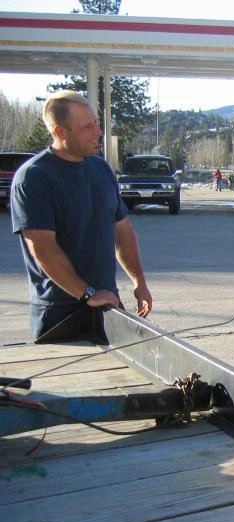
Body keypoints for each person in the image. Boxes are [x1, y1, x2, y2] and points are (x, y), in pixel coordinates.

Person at [10, 90, 152, 341]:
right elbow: (42, 247)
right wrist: (86, 293)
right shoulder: (34, 177)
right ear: (60, 132)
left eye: (96, 123)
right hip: (61, 313)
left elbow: (121, 229)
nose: (98, 132)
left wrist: (138, 281)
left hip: (107, 303)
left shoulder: (101, 169)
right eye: (87, 127)